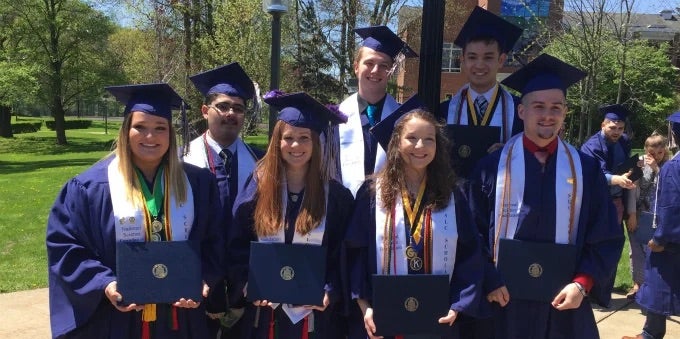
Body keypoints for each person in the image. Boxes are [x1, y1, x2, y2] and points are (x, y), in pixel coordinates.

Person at [46, 83, 225, 338]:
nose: (150, 137)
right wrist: (105, 284)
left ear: (171, 134)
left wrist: (203, 279)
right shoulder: (90, 188)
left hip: (180, 317)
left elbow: (215, 240)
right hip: (117, 318)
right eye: (140, 127)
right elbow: (65, 246)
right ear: (126, 130)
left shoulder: (198, 184)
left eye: (160, 128)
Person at [469, 54, 623, 338]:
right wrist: (488, 279)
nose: (547, 115)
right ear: (521, 111)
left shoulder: (586, 170)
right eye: (538, 106)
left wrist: (582, 283)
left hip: (563, 303)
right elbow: (471, 233)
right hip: (502, 299)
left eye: (556, 107)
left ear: (565, 112)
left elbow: (606, 234)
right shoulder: (490, 168)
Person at [345, 97, 484, 339]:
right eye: (411, 138)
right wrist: (365, 307)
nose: (420, 146)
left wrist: (457, 305)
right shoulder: (371, 194)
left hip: (438, 319)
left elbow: (469, 253)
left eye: (429, 139)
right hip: (381, 319)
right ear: (396, 143)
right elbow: (355, 254)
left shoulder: (454, 194)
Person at [227, 91, 354, 338]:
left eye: (305, 137)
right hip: (263, 314)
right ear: (277, 141)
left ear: (316, 142)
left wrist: (331, 290)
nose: (296, 145)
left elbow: (343, 254)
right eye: (289, 138)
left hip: (314, 313)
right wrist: (246, 282)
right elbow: (237, 243)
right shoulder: (256, 188)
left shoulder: (336, 197)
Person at [183, 62, 263, 337]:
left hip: (246, 278)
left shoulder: (261, 162)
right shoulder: (182, 160)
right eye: (224, 106)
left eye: (238, 109)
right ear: (205, 111)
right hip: (198, 276)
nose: (231, 114)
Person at [338, 25, 418, 197]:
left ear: (390, 73)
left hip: (390, 209)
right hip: (344, 210)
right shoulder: (336, 118)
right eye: (369, 63)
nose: (375, 70)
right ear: (356, 67)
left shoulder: (405, 119)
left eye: (384, 65)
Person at [622, 112, 680, 339]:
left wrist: (660, 239)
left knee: (658, 284)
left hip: (670, 241)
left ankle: (650, 334)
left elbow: (671, 207)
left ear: (674, 135)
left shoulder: (673, 167)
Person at [439, 7, 524, 157]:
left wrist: (512, 156)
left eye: (488, 57)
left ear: (501, 60)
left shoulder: (520, 112)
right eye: (472, 57)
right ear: (463, 61)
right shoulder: (442, 112)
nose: (479, 65)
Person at [624, 133, 670, 299]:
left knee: (653, 250)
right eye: (652, 153)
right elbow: (632, 189)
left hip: (658, 215)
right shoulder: (639, 163)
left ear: (665, 151)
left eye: (660, 153)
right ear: (646, 150)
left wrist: (657, 169)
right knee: (635, 250)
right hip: (638, 212)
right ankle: (638, 284)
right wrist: (632, 214)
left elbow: (667, 187)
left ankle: (654, 285)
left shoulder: (669, 166)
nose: (656, 157)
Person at [581, 104, 636, 225]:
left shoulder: (624, 141)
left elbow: (624, 164)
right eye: (612, 128)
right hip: (597, 201)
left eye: (620, 128)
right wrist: (616, 179)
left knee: (615, 239)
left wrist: (635, 165)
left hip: (618, 200)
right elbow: (593, 174)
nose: (617, 132)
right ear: (603, 125)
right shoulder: (591, 147)